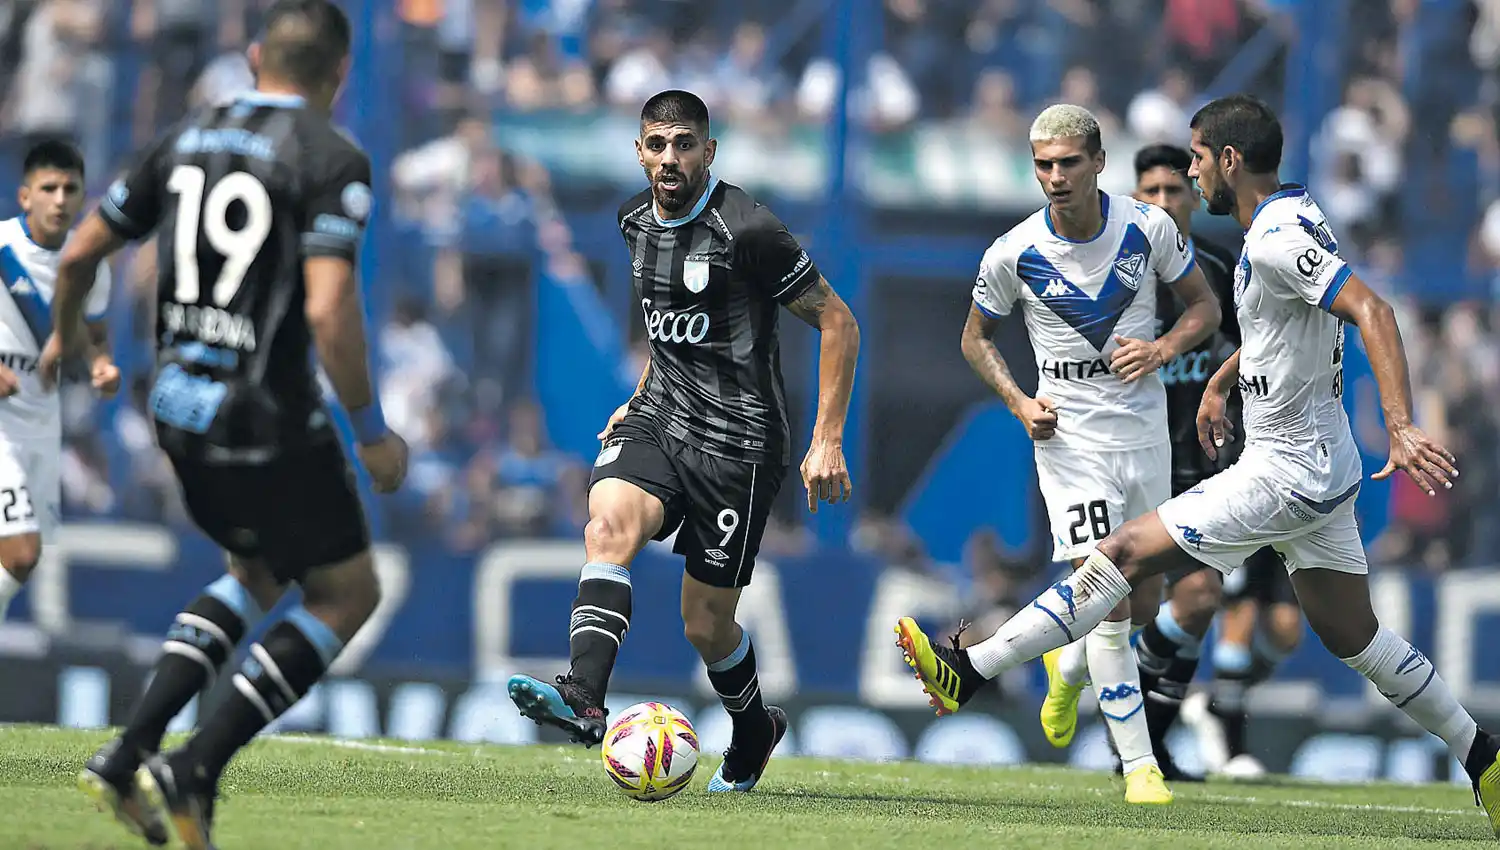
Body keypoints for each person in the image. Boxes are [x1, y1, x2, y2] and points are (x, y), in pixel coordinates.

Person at [895, 94, 1500, 835]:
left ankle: (972, 669)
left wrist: (1402, 425)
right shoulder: (1294, 215)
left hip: (1281, 470)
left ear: (1230, 161)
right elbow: (1288, 326)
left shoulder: (1275, 239)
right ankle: (1484, 756)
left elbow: (1373, 310)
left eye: (1198, 158)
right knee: (1358, 638)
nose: (1192, 170)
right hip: (1324, 464)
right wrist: (1221, 380)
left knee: (1117, 556)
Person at [53, 3, 408, 847]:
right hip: (268, 414)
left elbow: (78, 254)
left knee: (255, 570)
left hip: (177, 408)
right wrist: (369, 431)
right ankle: (194, 766)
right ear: (338, 74)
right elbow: (328, 311)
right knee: (348, 591)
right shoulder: (333, 157)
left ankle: (128, 751)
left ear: (255, 58)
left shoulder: (186, 136)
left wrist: (71, 338)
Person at [506, 89, 860, 793]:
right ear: (639, 152)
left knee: (706, 624)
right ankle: (584, 700)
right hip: (662, 418)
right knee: (607, 524)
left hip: (740, 446)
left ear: (709, 151)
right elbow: (669, 330)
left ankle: (755, 726)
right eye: (657, 145)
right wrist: (637, 397)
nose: (670, 158)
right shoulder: (633, 219)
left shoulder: (749, 230)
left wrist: (828, 439)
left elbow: (839, 321)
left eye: (685, 145)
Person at [955, 105, 1220, 804]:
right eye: (1043, 164)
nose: (1054, 177)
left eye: (1068, 162)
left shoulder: (1147, 227)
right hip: (1069, 441)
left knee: (1144, 595)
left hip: (1144, 435)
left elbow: (1204, 310)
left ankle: (1067, 669)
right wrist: (1020, 402)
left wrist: (1163, 348)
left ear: (1099, 161)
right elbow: (974, 338)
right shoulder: (1013, 252)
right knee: (1105, 594)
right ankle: (1139, 767)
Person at [1124, 142, 1302, 780]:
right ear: (1134, 198)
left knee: (1208, 605)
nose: (1165, 203)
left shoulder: (1223, 271)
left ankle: (1151, 744)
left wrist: (1228, 396)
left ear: (1193, 199)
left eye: (1175, 191)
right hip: (1136, 465)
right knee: (1145, 611)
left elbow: (1261, 346)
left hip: (1215, 466)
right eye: (1152, 193)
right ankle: (1134, 725)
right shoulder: (1115, 278)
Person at [0, 139, 119, 624]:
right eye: (48, 188)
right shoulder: (2, 246)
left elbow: (95, 338)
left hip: (40, 421)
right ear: (25, 196)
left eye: (70, 189)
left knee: (17, 564)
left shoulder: (90, 265)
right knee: (22, 552)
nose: (60, 199)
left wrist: (102, 366)